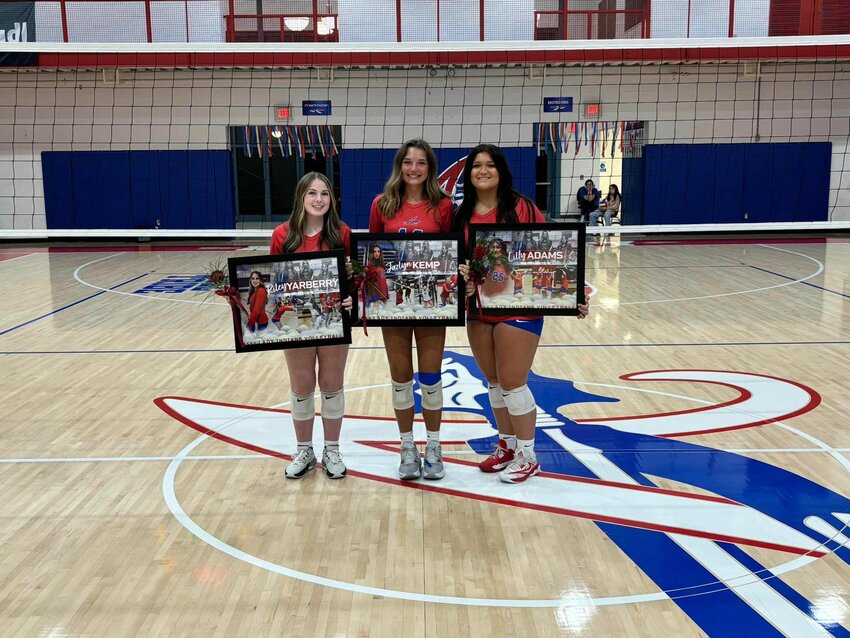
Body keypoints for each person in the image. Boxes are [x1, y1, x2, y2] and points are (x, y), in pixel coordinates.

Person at [455, 144, 589, 484]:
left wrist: (572, 294)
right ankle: (508, 445)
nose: (483, 171)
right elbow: (457, 264)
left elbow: (550, 253)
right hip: (479, 307)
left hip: (520, 306)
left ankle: (529, 455)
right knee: (495, 384)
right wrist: (464, 278)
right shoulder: (460, 214)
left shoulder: (522, 207)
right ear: (468, 173)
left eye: (490, 165)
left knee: (514, 383)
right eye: (476, 166)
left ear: (501, 171)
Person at [369, 139, 454, 481]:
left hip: (432, 300)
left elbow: (452, 251)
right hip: (396, 303)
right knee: (401, 380)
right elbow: (372, 254)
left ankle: (433, 446)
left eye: (421, 163)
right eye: (408, 162)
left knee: (431, 379)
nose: (414, 168)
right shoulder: (382, 204)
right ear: (399, 166)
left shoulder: (444, 205)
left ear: (429, 168)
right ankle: (407, 446)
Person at [269, 171, 353, 480]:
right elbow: (274, 283)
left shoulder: (342, 233)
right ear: (301, 198)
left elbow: (352, 281)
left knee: (331, 385)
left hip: (331, 318)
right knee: (302, 386)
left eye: (325, 194)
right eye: (312, 194)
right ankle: (304, 449)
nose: (319, 200)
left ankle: (332, 449)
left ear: (332, 200)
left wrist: (350, 299)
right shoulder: (282, 235)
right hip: (298, 320)